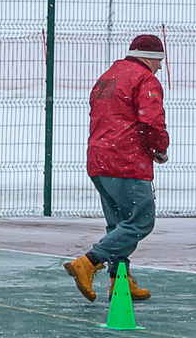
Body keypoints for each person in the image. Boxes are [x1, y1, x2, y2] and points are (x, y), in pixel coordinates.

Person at [63, 33, 169, 303]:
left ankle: (120, 280)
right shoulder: (144, 79)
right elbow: (151, 120)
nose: (160, 67)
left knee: (119, 225)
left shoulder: (109, 76)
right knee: (141, 221)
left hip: (99, 159)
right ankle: (88, 262)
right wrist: (160, 148)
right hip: (126, 161)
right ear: (150, 58)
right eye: (159, 61)